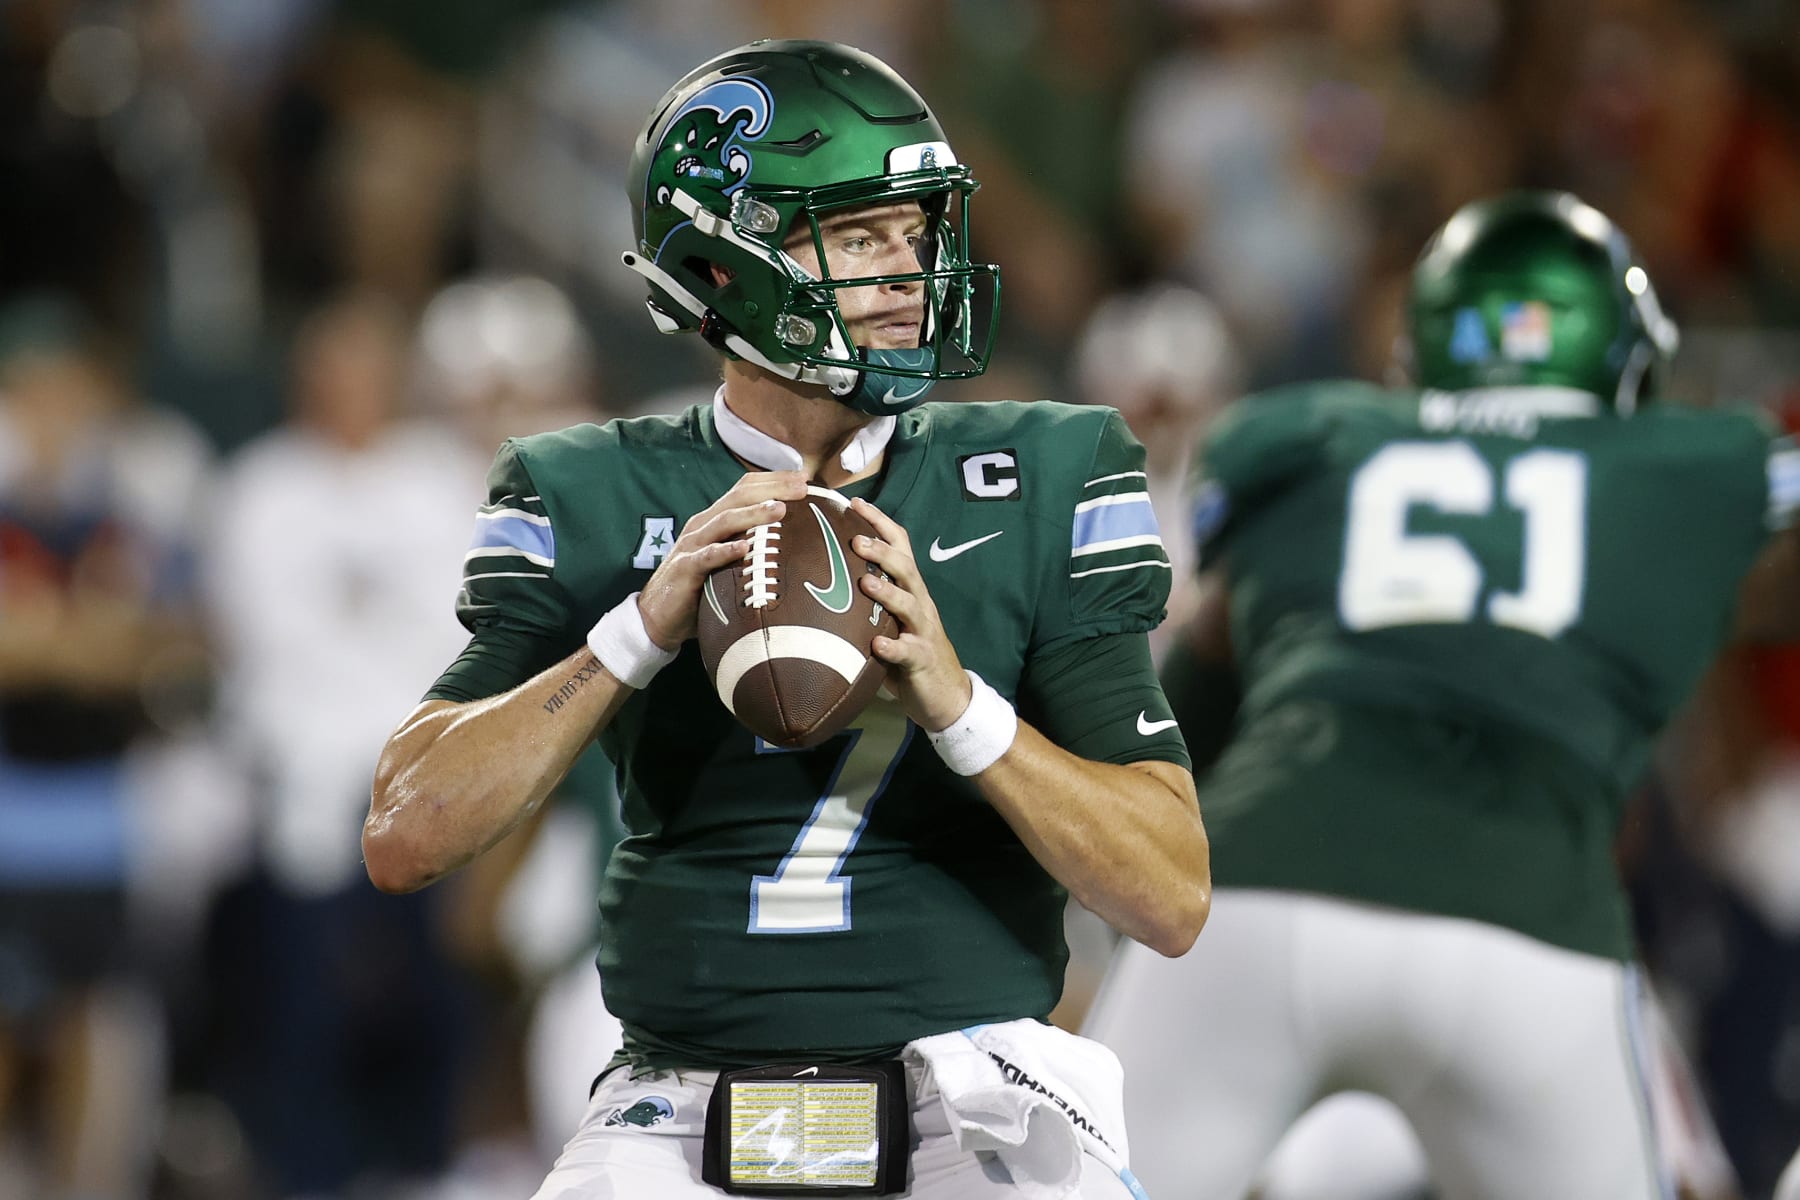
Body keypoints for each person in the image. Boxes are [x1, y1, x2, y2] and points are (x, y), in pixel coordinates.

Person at [362, 39, 1208, 1200]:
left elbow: (1169, 895)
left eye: (918, 233)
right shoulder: (587, 490)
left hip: (977, 1094)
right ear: (721, 270)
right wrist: (633, 636)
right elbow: (407, 834)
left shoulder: (1046, 469)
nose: (910, 273)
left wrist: (961, 707)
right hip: (678, 1106)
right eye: (861, 237)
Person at [1082, 190, 1800, 1200]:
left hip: (1261, 884)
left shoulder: (1308, 439)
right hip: (1526, 919)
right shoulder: (1690, 465)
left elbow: (1188, 698)